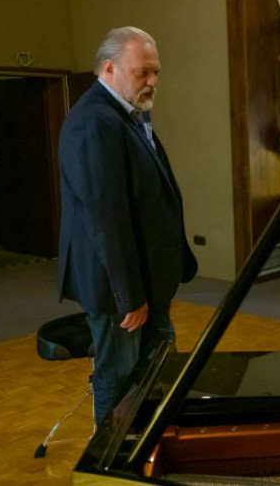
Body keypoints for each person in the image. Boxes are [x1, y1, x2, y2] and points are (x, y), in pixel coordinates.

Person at [57, 26, 198, 426]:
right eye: (143, 73)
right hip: (118, 287)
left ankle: (148, 445)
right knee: (118, 379)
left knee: (157, 371)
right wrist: (128, 296)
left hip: (147, 279)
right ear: (109, 68)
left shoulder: (129, 113)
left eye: (156, 72)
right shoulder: (94, 121)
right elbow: (106, 218)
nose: (153, 81)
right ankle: (111, 457)